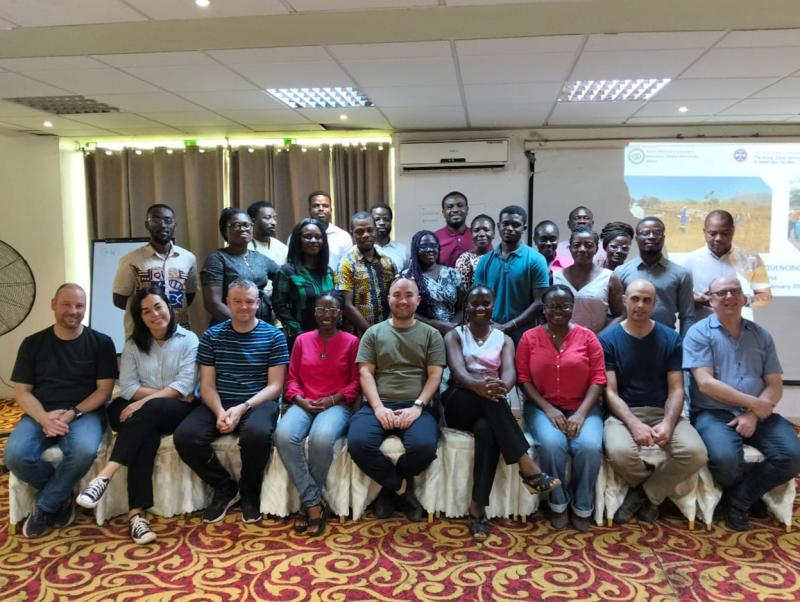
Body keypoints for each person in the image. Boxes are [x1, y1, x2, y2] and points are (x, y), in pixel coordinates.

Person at [76, 287, 198, 544]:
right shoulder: (133, 344)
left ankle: (104, 476)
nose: (154, 314)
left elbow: (185, 387)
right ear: (140, 317)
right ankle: (136, 517)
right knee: (143, 431)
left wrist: (148, 400)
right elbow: (129, 387)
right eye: (146, 311)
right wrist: (162, 394)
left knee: (146, 413)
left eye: (158, 306)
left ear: (169, 307)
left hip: (175, 409)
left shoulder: (189, 340)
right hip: (146, 407)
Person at [443, 285, 560, 541]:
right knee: (492, 402)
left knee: (487, 430)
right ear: (467, 307)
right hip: (459, 400)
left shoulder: (504, 339)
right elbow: (459, 372)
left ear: (493, 305)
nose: (480, 308)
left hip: (491, 402)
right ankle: (527, 466)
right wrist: (479, 386)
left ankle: (477, 510)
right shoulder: (455, 335)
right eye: (475, 303)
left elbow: (509, 374)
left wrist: (501, 387)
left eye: (486, 303)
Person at [683, 275, 800, 531]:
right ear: (711, 300)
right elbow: (705, 383)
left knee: (793, 455)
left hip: (759, 414)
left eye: (734, 291)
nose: (729, 297)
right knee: (726, 461)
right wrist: (754, 404)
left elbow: (775, 384)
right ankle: (748, 493)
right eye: (721, 293)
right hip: (713, 413)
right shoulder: (698, 333)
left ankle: (740, 499)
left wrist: (753, 414)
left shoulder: (761, 335)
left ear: (744, 298)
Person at [5, 284, 117, 537]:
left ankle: (45, 505)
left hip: (84, 413)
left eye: (79, 306)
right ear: (53, 304)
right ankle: (62, 496)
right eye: (67, 304)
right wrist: (44, 417)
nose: (73, 311)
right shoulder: (33, 344)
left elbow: (104, 392)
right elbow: (23, 391)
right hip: (40, 413)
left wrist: (72, 413)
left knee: (82, 451)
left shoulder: (101, 343)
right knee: (14, 456)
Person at [173, 280, 289, 524]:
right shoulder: (212, 336)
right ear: (227, 302)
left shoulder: (274, 336)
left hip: (258, 401)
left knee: (256, 434)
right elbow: (206, 385)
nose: (243, 306)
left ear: (258, 303)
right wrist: (219, 412)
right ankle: (225, 487)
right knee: (185, 436)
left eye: (249, 301)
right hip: (219, 399)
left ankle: (249, 491)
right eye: (237, 301)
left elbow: (275, 386)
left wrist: (242, 408)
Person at [600, 279, 708, 524]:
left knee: (696, 453)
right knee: (619, 453)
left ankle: (644, 494)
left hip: (663, 411)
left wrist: (669, 424)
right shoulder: (607, 341)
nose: (640, 305)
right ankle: (654, 491)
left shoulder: (670, 339)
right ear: (624, 301)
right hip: (623, 414)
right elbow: (611, 394)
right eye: (635, 298)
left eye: (647, 300)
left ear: (655, 303)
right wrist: (634, 425)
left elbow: (677, 389)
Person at [347, 276, 446, 522]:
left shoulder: (431, 334)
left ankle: (388, 490)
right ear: (388, 299)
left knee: (423, 448)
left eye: (409, 295)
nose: (403, 300)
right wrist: (379, 408)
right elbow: (365, 373)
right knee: (358, 443)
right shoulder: (373, 333)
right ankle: (401, 489)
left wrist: (417, 407)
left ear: (418, 300)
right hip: (378, 405)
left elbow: (435, 376)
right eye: (397, 295)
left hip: (417, 406)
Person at [517, 285, 606, 531]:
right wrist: (548, 409)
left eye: (565, 305)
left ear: (572, 308)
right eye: (553, 306)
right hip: (541, 407)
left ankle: (582, 506)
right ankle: (558, 504)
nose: (559, 310)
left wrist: (580, 414)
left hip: (582, 407)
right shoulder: (529, 337)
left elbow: (599, 379)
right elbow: (523, 379)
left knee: (589, 446)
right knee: (552, 444)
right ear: (544, 310)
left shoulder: (588, 337)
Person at [273, 293, 359, 537]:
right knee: (283, 436)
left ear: (341, 314)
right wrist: (299, 399)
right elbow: (292, 379)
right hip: (304, 402)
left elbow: (355, 383)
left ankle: (308, 504)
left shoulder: (352, 341)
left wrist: (332, 399)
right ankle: (313, 501)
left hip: (336, 404)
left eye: (332, 310)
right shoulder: (301, 340)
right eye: (321, 310)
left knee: (321, 439)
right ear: (314, 313)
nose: (327, 315)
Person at [113, 203, 197, 335]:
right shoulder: (130, 260)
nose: (163, 225)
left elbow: (189, 295)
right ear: (147, 225)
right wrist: (149, 313)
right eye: (156, 220)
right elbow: (119, 300)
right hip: (143, 335)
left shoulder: (188, 258)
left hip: (179, 334)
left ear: (174, 224)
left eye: (168, 220)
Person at [473, 205, 549, 344]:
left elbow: (540, 301)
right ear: (498, 226)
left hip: (524, 334)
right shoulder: (485, 261)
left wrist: (508, 326)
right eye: (505, 224)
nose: (509, 228)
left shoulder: (536, 259)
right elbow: (477, 298)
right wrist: (488, 324)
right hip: (490, 332)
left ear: (524, 228)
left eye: (516, 225)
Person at [682, 210, 771, 321]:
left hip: (741, 330)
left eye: (725, 233)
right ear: (704, 232)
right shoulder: (689, 261)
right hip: (702, 331)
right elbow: (679, 300)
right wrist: (698, 300)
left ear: (733, 231)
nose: (718, 238)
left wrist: (743, 300)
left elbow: (766, 297)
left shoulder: (752, 259)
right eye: (712, 233)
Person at [614, 217, 695, 337]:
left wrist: (684, 349)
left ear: (663, 238)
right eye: (645, 233)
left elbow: (687, 317)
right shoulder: (621, 272)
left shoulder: (681, 274)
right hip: (628, 340)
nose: (651, 236)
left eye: (657, 232)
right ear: (636, 239)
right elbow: (617, 314)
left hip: (666, 342)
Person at [201, 207, 280, 326]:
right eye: (236, 225)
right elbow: (213, 303)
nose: (243, 229)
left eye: (247, 225)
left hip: (261, 328)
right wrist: (242, 325)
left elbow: (284, 276)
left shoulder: (259, 258)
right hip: (229, 329)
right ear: (225, 230)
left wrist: (267, 297)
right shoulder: (218, 258)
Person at [273, 218, 335, 348]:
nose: (313, 241)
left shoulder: (329, 272)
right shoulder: (287, 271)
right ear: (298, 240)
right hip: (300, 339)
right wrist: (298, 333)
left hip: (329, 338)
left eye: (318, 237)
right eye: (307, 237)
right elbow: (279, 306)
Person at [552, 227, 624, 333]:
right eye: (577, 245)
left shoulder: (609, 278)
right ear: (570, 248)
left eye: (588, 245)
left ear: (596, 249)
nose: (582, 249)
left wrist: (599, 339)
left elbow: (621, 315)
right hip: (561, 343)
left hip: (596, 344)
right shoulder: (555, 277)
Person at [336, 211, 396, 336]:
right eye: (359, 231)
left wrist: (388, 328)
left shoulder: (387, 261)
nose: (365, 235)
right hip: (358, 335)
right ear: (352, 233)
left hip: (388, 332)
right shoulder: (346, 263)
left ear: (376, 230)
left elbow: (394, 297)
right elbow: (346, 305)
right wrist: (372, 333)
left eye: (370, 230)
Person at [402, 230, 463, 335]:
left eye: (433, 245)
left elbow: (462, 307)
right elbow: (405, 311)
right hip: (420, 334)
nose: (429, 249)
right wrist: (436, 325)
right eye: (424, 246)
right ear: (415, 249)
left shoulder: (452, 274)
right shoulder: (406, 277)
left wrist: (452, 327)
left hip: (451, 332)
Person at [299, 191, 352, 271]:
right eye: (316, 206)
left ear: (331, 210)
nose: (321, 209)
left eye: (325, 206)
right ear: (309, 210)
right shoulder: (298, 235)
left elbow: (348, 269)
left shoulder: (343, 237)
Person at [454, 214, 495, 291]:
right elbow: (463, 293)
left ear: (493, 234)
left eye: (486, 230)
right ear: (471, 234)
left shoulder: (500, 258)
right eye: (476, 230)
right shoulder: (464, 259)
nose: (482, 234)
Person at [435, 191, 473, 267]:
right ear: (443, 212)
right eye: (450, 207)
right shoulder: (434, 238)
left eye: (460, 205)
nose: (455, 210)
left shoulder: (478, 235)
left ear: (467, 210)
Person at [371, 202, 410, 271]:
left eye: (386, 219)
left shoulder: (403, 250)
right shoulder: (359, 251)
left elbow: (407, 277)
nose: (382, 223)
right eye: (377, 219)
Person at [247, 200, 288, 265]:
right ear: (253, 221)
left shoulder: (283, 249)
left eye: (275, 218)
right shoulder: (243, 247)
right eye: (267, 218)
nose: (273, 223)